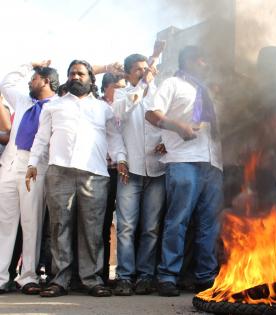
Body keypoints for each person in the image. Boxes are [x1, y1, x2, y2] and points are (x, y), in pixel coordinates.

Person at [26, 59, 127, 297]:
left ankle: (91, 280)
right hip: (59, 171)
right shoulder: (54, 106)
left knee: (92, 230)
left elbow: (114, 138)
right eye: (71, 73)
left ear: (91, 80)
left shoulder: (104, 108)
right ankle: (59, 280)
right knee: (59, 227)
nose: (75, 77)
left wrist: (121, 159)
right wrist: (32, 163)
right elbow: (41, 138)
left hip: (95, 174)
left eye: (81, 74)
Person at [145, 46, 223, 296]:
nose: (207, 62)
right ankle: (168, 275)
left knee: (209, 223)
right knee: (178, 220)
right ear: (189, 60)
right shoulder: (172, 84)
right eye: (203, 57)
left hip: (214, 163)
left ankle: (205, 276)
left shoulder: (211, 89)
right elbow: (151, 112)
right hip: (184, 160)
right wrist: (177, 126)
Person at [0, 61, 59, 294]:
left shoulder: (58, 106)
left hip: (35, 170)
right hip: (9, 166)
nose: (29, 82)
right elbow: (6, 83)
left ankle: (28, 277)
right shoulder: (24, 101)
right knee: (4, 224)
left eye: (34, 78)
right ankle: (2, 276)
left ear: (45, 80)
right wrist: (28, 64)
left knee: (31, 224)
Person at [112, 49, 166, 296]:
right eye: (139, 70)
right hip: (130, 170)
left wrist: (166, 141)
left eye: (147, 69)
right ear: (127, 73)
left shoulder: (160, 94)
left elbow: (168, 123)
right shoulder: (122, 95)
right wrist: (120, 158)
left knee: (151, 228)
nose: (145, 73)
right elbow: (117, 123)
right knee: (125, 227)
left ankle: (146, 276)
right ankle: (124, 277)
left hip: (157, 170)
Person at [100, 72, 126, 285]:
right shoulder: (98, 107)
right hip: (104, 170)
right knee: (103, 221)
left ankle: (125, 274)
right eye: (118, 87)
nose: (122, 91)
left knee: (126, 223)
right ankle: (101, 272)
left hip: (125, 170)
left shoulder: (127, 106)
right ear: (106, 88)